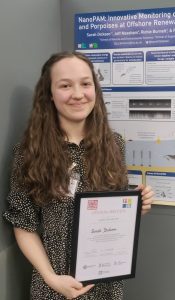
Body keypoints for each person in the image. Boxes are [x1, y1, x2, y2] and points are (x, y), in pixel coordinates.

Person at [3, 51, 154, 300]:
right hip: (54, 283)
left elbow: (116, 212)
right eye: (65, 85)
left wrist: (137, 205)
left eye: (85, 83)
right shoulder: (28, 152)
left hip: (105, 281)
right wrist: (51, 279)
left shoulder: (114, 144)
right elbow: (23, 224)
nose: (77, 94)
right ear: (49, 94)